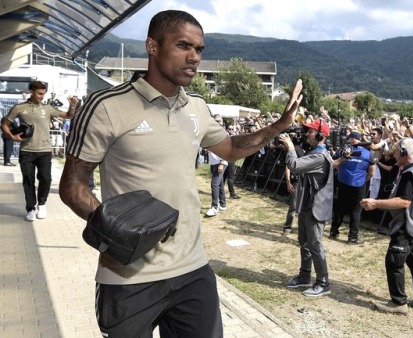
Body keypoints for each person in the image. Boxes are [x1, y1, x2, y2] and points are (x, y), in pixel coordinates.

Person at [58, 10, 303, 337]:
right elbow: (72, 185)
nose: (194, 57)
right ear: (152, 46)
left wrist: (277, 127)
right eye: (183, 45)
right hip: (128, 276)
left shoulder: (197, 107)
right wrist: (118, 233)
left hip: (192, 270)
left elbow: (230, 148)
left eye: (199, 49)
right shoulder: (104, 105)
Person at [361, 137, 413, 315]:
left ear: (404, 152)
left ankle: (398, 302)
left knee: (394, 261)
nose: (394, 155)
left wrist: (376, 203)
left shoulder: (410, 174)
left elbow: (404, 202)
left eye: (396, 152)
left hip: (407, 226)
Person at [1, 81, 78, 222]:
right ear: (31, 91)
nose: (42, 96)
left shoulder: (47, 108)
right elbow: (4, 123)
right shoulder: (19, 108)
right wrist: (12, 136)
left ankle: (41, 204)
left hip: (44, 151)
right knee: (28, 180)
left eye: (43, 94)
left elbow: (68, 115)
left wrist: (73, 105)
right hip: (26, 151)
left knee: (46, 179)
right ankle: (30, 208)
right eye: (39, 93)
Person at [280, 118, 334, 297]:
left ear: (320, 135)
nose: (307, 134)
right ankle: (304, 276)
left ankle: (323, 282)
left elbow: (295, 166)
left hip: (315, 208)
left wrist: (290, 148)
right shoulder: (313, 152)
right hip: (307, 206)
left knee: (315, 244)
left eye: (311, 131)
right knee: (304, 243)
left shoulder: (319, 156)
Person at [330, 131, 375, 244]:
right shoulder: (368, 153)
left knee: (340, 208)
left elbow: (336, 164)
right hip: (359, 184)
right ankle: (353, 237)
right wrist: (364, 180)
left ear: (350, 139)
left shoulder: (342, 151)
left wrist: (342, 175)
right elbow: (372, 172)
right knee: (356, 210)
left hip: (343, 182)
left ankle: (333, 231)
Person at [206, 149, 228, 217]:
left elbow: (225, 149)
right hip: (214, 163)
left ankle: (214, 207)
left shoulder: (220, 138)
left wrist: (221, 163)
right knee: (220, 184)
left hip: (220, 163)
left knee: (214, 184)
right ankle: (223, 205)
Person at [224, 123, 240, 199]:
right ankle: (232, 194)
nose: (231, 130)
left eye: (232, 129)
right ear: (226, 129)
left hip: (231, 158)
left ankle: (229, 193)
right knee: (228, 177)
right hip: (227, 158)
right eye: (229, 129)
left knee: (227, 176)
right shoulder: (225, 137)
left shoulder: (233, 136)